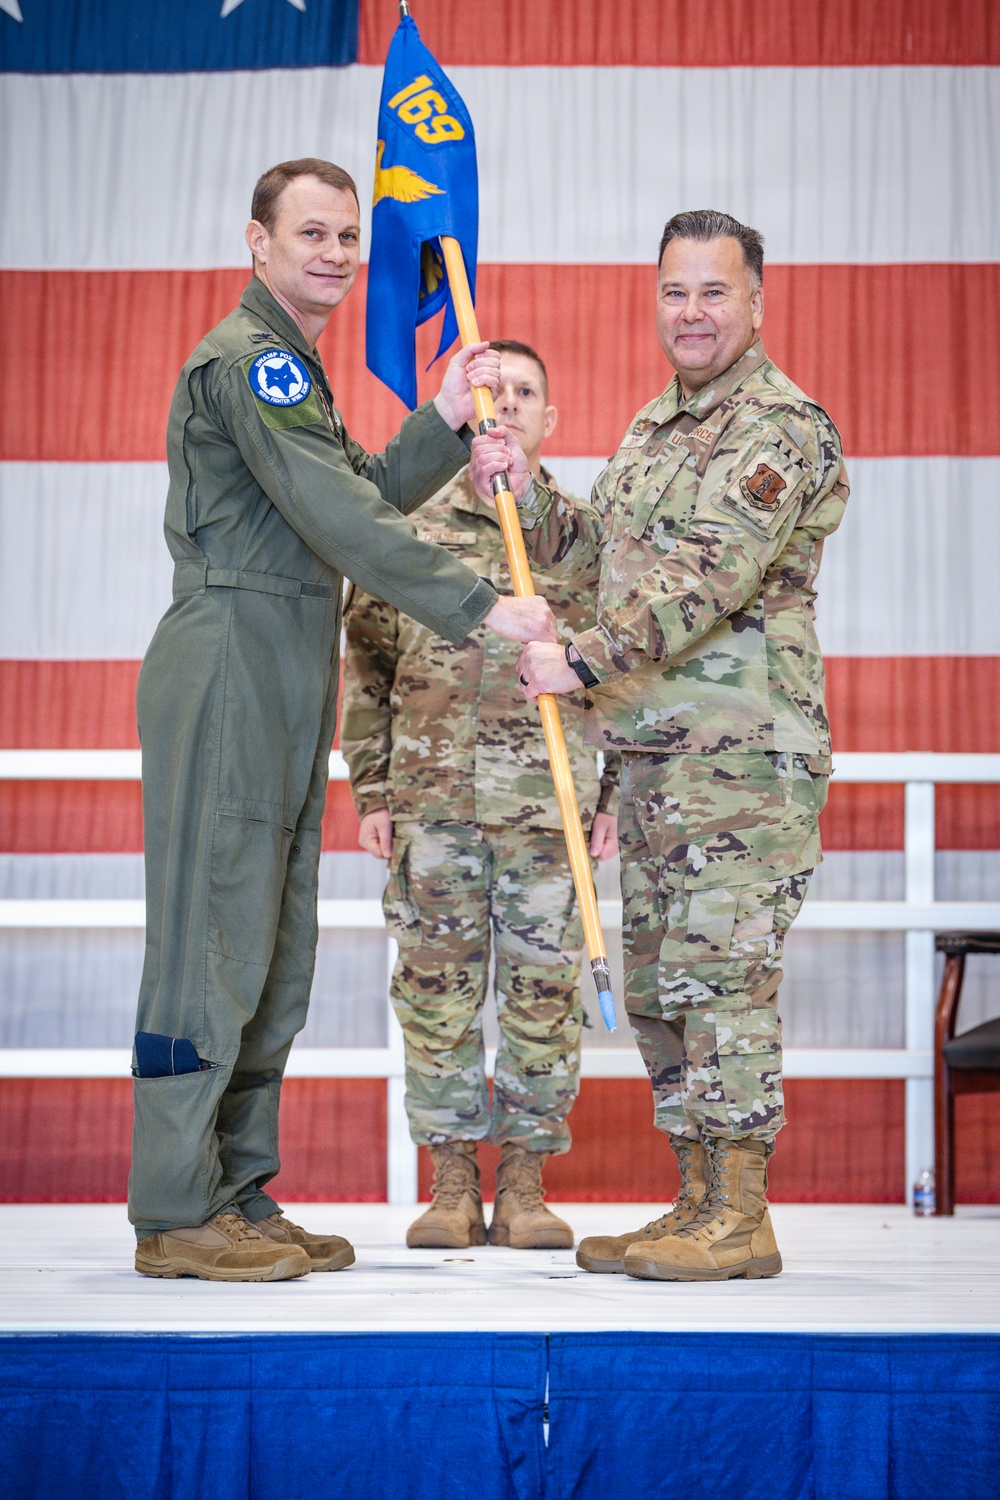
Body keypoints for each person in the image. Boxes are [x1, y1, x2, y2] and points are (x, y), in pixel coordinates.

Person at [129, 159, 556, 1282]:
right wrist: (482, 606)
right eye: (310, 233)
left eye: (347, 236)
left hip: (281, 655)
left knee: (269, 940)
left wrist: (444, 421)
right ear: (257, 241)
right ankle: (174, 1207)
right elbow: (337, 514)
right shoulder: (252, 359)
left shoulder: (296, 367)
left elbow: (352, 484)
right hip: (232, 651)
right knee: (212, 934)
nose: (334, 254)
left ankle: (235, 1191)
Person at [469, 210, 849, 1282]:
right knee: (662, 989)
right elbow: (604, 556)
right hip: (652, 758)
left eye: (713, 291)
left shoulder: (778, 426)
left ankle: (740, 1213)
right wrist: (528, 490)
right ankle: (698, 1201)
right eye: (675, 292)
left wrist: (579, 660)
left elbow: (709, 577)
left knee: (721, 981)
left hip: (740, 760)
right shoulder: (653, 427)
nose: (691, 312)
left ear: (756, 302)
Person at [341, 341, 619, 1252]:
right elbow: (367, 664)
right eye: (495, 393)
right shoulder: (406, 528)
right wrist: (372, 788)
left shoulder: (582, 538)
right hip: (433, 805)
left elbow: (625, 668)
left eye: (527, 393)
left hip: (549, 808)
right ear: (470, 412)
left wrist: (611, 793)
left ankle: (527, 1183)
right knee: (436, 998)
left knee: (544, 997)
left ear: (550, 419)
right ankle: (453, 1182)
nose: (510, 406)